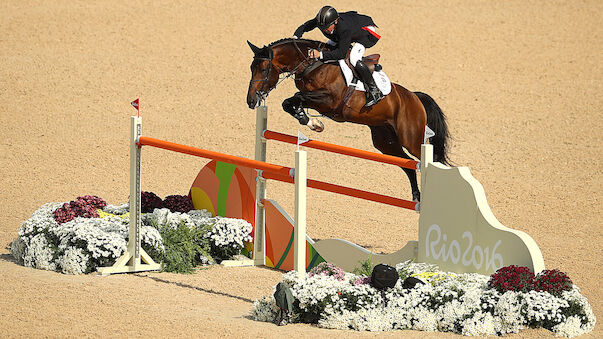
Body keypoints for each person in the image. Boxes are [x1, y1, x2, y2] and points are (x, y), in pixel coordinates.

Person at [293, 6, 384, 106]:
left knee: (353, 58)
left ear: (335, 21)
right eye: (322, 28)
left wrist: (320, 54)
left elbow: (341, 54)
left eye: (327, 27)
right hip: (347, 29)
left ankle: (375, 90)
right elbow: (305, 26)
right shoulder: (322, 21)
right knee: (327, 47)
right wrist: (295, 37)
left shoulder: (343, 29)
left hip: (365, 31)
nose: (325, 30)